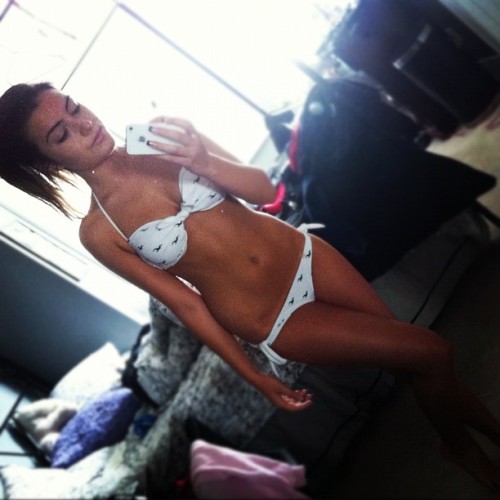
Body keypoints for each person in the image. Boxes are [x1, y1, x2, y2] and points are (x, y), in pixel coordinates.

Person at [1, 82, 500, 487]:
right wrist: (255, 376)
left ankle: (479, 437)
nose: (85, 124)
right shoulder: (99, 232)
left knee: (413, 359)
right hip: (272, 317)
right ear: (48, 163)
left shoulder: (158, 135)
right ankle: (460, 446)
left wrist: (202, 160)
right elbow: (188, 306)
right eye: (62, 134)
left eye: (75, 107)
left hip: (307, 254)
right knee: (430, 351)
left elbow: (266, 190)